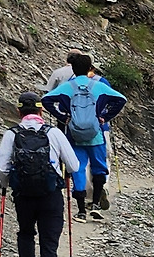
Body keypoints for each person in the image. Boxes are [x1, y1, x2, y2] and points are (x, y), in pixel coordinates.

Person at [0, 92, 78, 257]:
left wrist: (5, 185)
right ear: (41, 110)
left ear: (19, 111)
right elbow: (74, 165)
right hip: (50, 195)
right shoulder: (53, 133)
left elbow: (2, 168)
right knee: (49, 243)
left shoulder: (11, 134)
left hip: (23, 194)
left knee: (25, 233)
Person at [43, 51, 126, 221]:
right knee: (99, 167)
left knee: (78, 168)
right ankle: (95, 204)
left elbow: (46, 100)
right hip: (96, 133)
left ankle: (81, 210)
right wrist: (105, 117)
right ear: (90, 68)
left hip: (74, 133)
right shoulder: (98, 85)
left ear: (73, 68)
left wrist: (62, 117)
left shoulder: (68, 86)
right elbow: (121, 99)